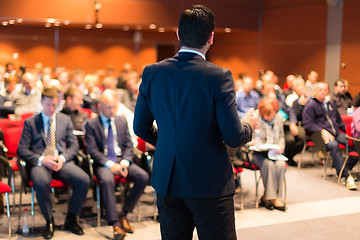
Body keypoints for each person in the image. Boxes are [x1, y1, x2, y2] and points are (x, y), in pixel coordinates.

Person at [133, 5, 256, 240]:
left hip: (168, 178)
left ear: (178, 34)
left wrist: (170, 142)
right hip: (209, 181)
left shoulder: (152, 72)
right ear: (211, 37)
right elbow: (233, 136)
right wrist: (249, 125)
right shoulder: (219, 76)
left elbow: (140, 127)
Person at [17, 87, 90, 239]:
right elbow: (22, 150)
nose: (51, 109)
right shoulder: (31, 122)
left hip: (59, 161)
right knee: (41, 181)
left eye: (54, 105)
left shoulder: (64, 120)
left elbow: (74, 146)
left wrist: (62, 158)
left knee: (83, 180)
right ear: (42, 103)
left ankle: (71, 218)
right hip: (41, 162)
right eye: (48, 105)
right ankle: (48, 221)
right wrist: (42, 159)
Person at [85, 89, 149, 240]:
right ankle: (115, 224)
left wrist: (125, 162)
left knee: (143, 176)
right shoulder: (92, 124)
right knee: (107, 180)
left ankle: (124, 214)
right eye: (109, 107)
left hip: (122, 160)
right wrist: (110, 165)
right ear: (101, 106)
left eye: (114, 106)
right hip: (103, 163)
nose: (112, 110)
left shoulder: (121, 120)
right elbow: (92, 150)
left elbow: (128, 145)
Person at [302, 82, 357, 190]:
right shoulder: (311, 105)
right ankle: (345, 176)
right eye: (320, 90)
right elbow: (308, 124)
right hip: (319, 135)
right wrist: (321, 130)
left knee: (353, 142)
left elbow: (339, 121)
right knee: (334, 145)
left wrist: (349, 132)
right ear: (316, 91)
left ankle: (344, 169)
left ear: (327, 91)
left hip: (335, 132)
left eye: (324, 90)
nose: (322, 92)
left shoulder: (330, 104)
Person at [251, 97, 287, 211]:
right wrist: (256, 144)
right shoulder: (255, 118)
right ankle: (273, 199)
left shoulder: (278, 118)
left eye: (270, 114)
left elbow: (281, 136)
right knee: (268, 165)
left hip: (274, 153)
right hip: (257, 154)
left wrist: (281, 145)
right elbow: (248, 139)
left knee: (281, 165)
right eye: (265, 114)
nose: (268, 117)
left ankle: (268, 197)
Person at [61, 86, 89, 151]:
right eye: (79, 99)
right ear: (69, 100)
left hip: (82, 152)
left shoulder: (85, 116)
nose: (81, 102)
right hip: (64, 153)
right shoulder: (59, 117)